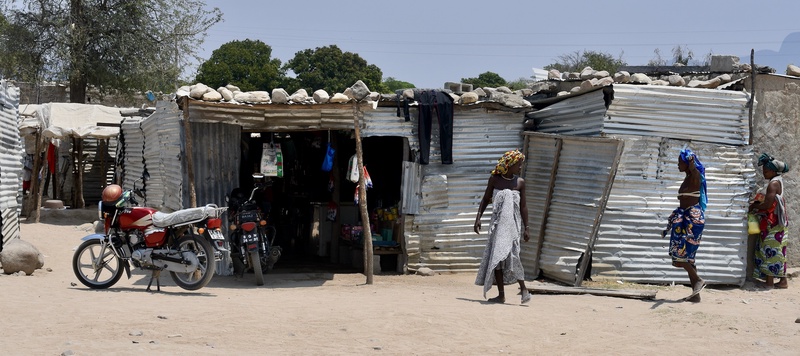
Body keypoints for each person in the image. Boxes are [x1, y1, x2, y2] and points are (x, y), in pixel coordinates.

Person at [473, 149, 531, 304]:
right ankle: (501, 295)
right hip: (497, 225)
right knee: (497, 258)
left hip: (513, 226)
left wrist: (527, 227)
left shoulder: (520, 182)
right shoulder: (494, 180)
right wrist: (478, 218)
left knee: (513, 255)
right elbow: (486, 199)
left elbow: (523, 207)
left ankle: (524, 289)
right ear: (509, 164)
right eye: (518, 164)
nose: (520, 167)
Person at [663, 148, 707, 302]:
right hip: (684, 219)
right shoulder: (687, 178)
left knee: (681, 253)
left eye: (680, 162)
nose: (677, 165)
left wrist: (692, 164)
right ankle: (696, 295)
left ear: (688, 163)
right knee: (687, 257)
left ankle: (698, 280)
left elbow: (694, 170)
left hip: (692, 220)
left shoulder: (695, 176)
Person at [749, 153, 790, 289]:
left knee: (769, 248)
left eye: (766, 171)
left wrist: (754, 206)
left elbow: (767, 205)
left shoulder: (773, 184)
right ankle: (783, 281)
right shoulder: (778, 180)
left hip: (773, 222)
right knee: (778, 250)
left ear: (773, 171)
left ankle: (769, 282)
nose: (764, 173)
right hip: (779, 222)